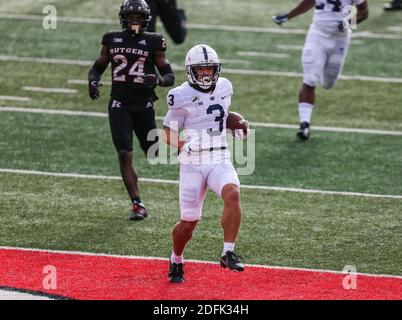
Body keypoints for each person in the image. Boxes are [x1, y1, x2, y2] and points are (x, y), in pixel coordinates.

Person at [162, 44, 247, 283]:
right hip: (193, 162)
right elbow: (166, 134)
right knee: (189, 222)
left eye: (210, 68)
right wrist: (183, 146)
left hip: (219, 156)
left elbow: (219, 115)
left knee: (233, 194)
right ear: (191, 71)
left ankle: (227, 252)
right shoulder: (179, 96)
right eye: (201, 69)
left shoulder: (225, 86)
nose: (207, 74)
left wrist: (237, 124)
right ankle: (176, 258)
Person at [88, 0, 175, 220]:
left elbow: (169, 76)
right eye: (131, 16)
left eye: (138, 17)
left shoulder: (154, 41)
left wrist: (157, 79)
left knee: (153, 152)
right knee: (124, 153)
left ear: (145, 19)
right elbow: (97, 68)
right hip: (119, 104)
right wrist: (92, 81)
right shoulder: (111, 39)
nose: (134, 21)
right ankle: (137, 204)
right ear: (123, 17)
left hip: (143, 105)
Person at [273, 0, 369, 140]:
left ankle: (322, 70)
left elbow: (364, 12)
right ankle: (304, 124)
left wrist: (348, 23)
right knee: (310, 79)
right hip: (317, 34)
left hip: (340, 39)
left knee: (328, 83)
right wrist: (288, 16)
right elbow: (309, 2)